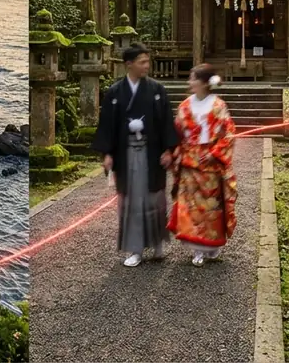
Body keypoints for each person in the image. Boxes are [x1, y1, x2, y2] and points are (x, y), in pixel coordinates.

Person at [91, 43, 179, 267]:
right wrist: (107, 153)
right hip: (126, 154)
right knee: (130, 202)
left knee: (155, 199)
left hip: (152, 153)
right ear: (128, 64)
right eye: (142, 62)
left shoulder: (157, 90)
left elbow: (166, 122)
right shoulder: (115, 92)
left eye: (148, 61)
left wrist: (169, 150)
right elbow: (107, 125)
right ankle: (135, 249)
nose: (147, 66)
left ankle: (157, 245)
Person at [168, 63, 238, 267]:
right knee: (191, 207)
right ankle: (197, 249)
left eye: (193, 78)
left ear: (205, 83)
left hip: (210, 163)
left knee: (211, 207)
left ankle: (211, 245)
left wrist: (214, 153)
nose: (190, 82)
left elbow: (228, 133)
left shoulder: (218, 105)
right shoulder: (184, 106)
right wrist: (173, 152)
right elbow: (177, 133)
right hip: (189, 161)